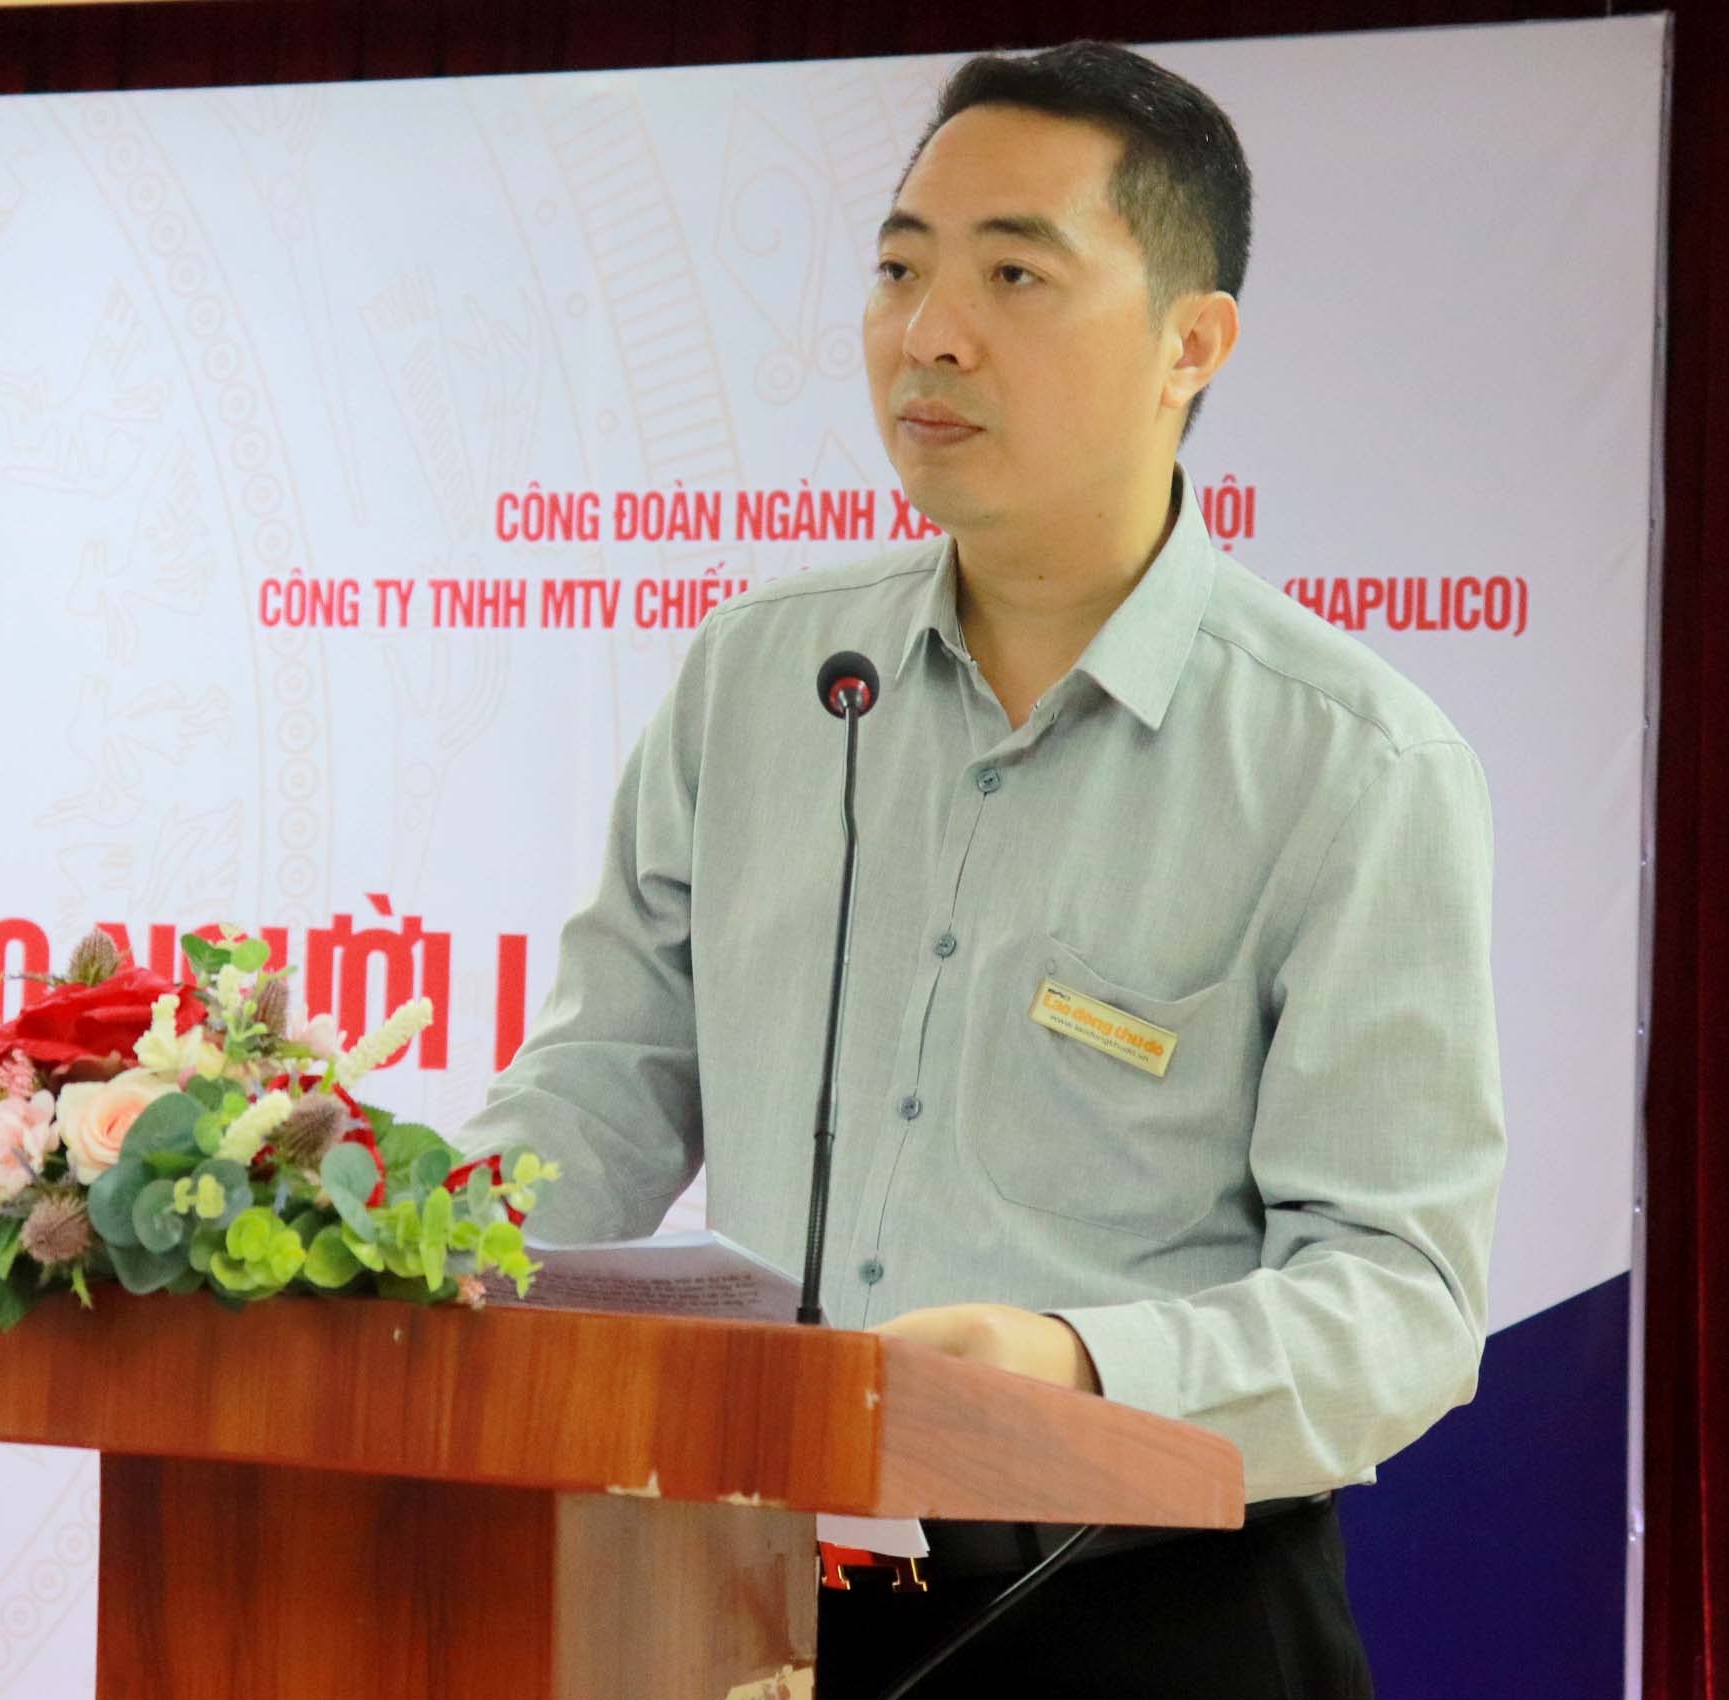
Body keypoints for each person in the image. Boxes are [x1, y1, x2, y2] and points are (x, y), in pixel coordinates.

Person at [457, 38, 1504, 1699]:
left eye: (1014, 274)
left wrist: (1074, 1364)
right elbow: (598, 1095)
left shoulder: (1350, 763)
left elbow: (1402, 1298)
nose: (928, 335)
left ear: (1191, 344)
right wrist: (376, 1256)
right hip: (750, 1601)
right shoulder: (764, 678)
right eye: (899, 270)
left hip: (1146, 1615)